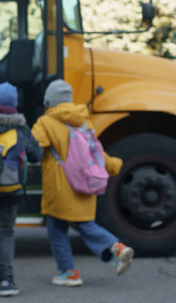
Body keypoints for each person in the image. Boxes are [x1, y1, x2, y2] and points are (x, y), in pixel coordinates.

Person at [31, 79, 134, 287]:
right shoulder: (85, 122)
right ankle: (112, 252)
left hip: (60, 188)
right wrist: (113, 165)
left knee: (57, 230)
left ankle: (76, 269)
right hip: (86, 185)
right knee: (86, 224)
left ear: (49, 101)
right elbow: (94, 152)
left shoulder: (45, 121)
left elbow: (35, 148)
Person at [0, 82, 42, 297]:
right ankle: (7, 281)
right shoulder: (21, 128)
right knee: (7, 231)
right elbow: (36, 155)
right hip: (11, 190)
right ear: (14, 104)